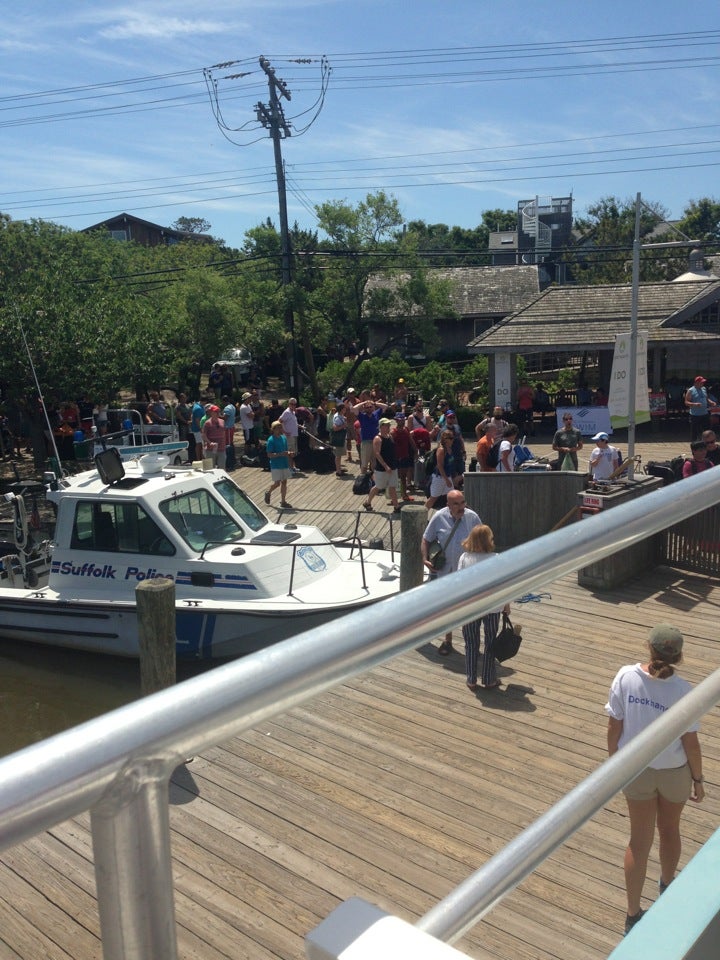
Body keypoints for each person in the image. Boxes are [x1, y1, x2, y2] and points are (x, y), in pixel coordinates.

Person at [605, 624, 705, 936]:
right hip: (674, 772)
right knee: (670, 829)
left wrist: (615, 766)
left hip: (635, 769)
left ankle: (633, 915)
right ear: (679, 656)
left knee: (639, 840)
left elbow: (614, 728)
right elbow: (691, 743)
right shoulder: (685, 691)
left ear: (649, 647)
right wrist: (699, 780)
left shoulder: (625, 677)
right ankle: (667, 884)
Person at [421, 490, 482, 656]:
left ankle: (470, 642)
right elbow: (426, 539)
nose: (461, 507)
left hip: (467, 571)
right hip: (445, 571)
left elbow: (482, 540)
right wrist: (425, 558)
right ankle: (448, 640)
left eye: (463, 502)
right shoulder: (439, 517)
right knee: (447, 607)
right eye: (456, 504)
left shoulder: (472, 517)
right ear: (448, 505)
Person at [457, 524, 510, 690]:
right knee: (490, 643)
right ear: (489, 540)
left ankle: (471, 679)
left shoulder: (464, 558)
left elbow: (458, 584)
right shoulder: (497, 558)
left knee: (471, 643)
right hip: (492, 607)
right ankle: (488, 679)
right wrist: (506, 604)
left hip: (470, 608)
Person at [362, 418, 401, 513]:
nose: (388, 427)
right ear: (381, 427)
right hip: (382, 468)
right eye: (386, 425)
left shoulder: (390, 436)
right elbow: (377, 454)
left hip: (393, 465)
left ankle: (396, 506)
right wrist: (385, 466)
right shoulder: (377, 439)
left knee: (392, 486)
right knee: (379, 486)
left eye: (388, 425)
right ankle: (367, 502)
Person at [425, 429, 456, 511]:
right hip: (439, 478)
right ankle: (421, 515)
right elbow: (440, 466)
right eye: (451, 438)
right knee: (433, 498)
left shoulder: (450, 448)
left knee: (452, 496)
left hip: (447, 476)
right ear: (445, 439)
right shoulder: (441, 450)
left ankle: (452, 514)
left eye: (453, 437)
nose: (453, 440)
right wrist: (446, 480)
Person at [264, 421, 293, 508]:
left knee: (284, 482)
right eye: (278, 428)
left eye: (281, 427)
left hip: (284, 463)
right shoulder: (271, 440)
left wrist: (289, 454)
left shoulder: (283, 438)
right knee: (277, 483)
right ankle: (268, 492)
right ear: (274, 429)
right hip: (276, 465)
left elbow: (286, 451)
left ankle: (283, 501)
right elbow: (269, 454)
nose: (281, 429)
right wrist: (280, 454)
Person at [391, 412, 417, 501]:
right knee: (396, 478)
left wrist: (416, 451)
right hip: (396, 458)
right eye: (399, 419)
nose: (401, 421)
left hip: (405, 456)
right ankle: (394, 497)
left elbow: (411, 440)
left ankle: (404, 495)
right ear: (396, 420)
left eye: (402, 419)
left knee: (403, 477)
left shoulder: (406, 429)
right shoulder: (393, 432)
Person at [685, 375, 717, 441]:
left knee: (707, 431)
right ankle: (694, 446)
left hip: (704, 414)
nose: (703, 383)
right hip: (695, 415)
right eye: (701, 382)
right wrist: (694, 404)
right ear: (696, 382)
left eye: (703, 382)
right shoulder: (690, 390)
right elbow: (686, 402)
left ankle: (707, 444)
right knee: (694, 432)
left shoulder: (704, 388)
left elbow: (706, 398)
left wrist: (711, 402)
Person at [279, 397, 300, 473]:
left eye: (294, 404)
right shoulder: (287, 412)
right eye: (292, 404)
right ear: (289, 404)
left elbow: (293, 423)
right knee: (290, 453)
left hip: (294, 435)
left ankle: (293, 467)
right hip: (289, 436)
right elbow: (279, 421)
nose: (293, 406)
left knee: (293, 453)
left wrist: (299, 426)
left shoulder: (293, 412)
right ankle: (289, 468)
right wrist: (284, 431)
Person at [330, 402, 349, 477]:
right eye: (344, 408)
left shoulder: (340, 415)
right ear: (341, 409)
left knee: (339, 455)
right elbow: (335, 428)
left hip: (341, 438)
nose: (345, 409)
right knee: (338, 455)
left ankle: (339, 468)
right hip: (338, 439)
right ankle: (338, 471)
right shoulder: (337, 417)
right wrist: (343, 425)